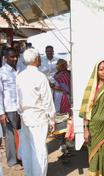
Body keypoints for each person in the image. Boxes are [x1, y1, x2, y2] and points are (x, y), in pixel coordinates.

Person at [16, 48, 56, 176]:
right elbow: (47, 100)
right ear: (37, 59)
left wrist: (21, 113)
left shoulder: (20, 76)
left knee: (27, 148)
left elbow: (18, 99)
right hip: (38, 117)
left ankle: (30, 173)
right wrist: (52, 119)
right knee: (39, 150)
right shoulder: (40, 76)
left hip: (25, 117)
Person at [0, 47, 22, 170]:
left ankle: (21, 157)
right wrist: (2, 113)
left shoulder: (19, 70)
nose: (14, 59)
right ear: (5, 58)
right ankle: (12, 161)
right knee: (9, 136)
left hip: (21, 108)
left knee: (22, 135)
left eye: (16, 56)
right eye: (12, 57)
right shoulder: (1, 72)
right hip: (9, 109)